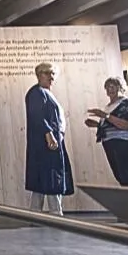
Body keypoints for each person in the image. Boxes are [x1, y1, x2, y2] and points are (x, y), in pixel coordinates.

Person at [25, 62, 73, 215]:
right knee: (49, 177)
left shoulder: (47, 93)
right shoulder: (36, 93)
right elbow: (37, 115)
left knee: (47, 178)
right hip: (44, 144)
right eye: (47, 74)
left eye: (52, 74)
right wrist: (48, 133)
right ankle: (54, 213)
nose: (51, 77)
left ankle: (39, 213)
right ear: (39, 75)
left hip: (53, 141)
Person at [86, 77, 128, 186]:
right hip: (109, 143)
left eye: (113, 86)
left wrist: (105, 115)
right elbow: (110, 125)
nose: (110, 89)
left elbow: (126, 125)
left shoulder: (125, 103)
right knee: (119, 176)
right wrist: (96, 124)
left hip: (122, 143)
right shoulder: (108, 107)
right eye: (108, 87)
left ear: (120, 88)